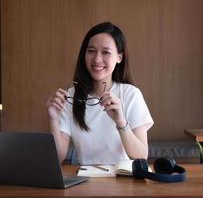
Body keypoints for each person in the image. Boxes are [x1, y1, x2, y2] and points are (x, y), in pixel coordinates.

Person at [46, 22, 154, 165]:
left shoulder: (131, 95)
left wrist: (120, 122)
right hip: (85, 181)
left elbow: (141, 156)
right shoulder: (70, 97)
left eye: (106, 52)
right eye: (91, 51)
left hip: (124, 182)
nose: (97, 59)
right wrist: (53, 119)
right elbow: (57, 158)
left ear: (119, 57)